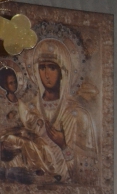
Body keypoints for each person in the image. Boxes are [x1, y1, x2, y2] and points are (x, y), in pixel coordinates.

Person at [0, 38, 98, 185]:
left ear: (63, 71)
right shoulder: (27, 109)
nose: (46, 74)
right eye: (42, 67)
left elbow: (87, 177)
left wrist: (63, 145)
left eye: (52, 68)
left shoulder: (78, 116)